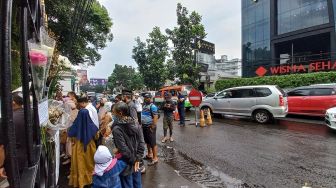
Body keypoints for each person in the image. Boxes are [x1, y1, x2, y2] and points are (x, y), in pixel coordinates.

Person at [112, 102, 145, 188]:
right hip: (136, 160)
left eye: (114, 112)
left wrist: (134, 160)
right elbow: (142, 143)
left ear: (120, 113)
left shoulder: (117, 129)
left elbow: (123, 149)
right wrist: (138, 158)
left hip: (125, 162)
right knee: (137, 184)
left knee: (127, 184)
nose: (113, 114)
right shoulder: (136, 124)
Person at [68, 97, 99, 188]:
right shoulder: (92, 126)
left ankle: (80, 182)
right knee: (90, 163)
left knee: (79, 165)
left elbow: (71, 136)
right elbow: (96, 135)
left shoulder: (74, 127)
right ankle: (90, 180)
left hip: (78, 147)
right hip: (90, 146)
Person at [141, 93, 159, 165]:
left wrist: (152, 126)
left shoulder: (153, 106)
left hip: (150, 127)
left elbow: (155, 117)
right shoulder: (144, 105)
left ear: (150, 98)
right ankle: (149, 154)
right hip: (145, 126)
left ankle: (155, 158)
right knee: (147, 142)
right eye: (145, 97)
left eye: (147, 97)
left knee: (153, 143)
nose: (146, 99)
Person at [12, 92, 28, 173]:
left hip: (15, 160)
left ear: (13, 102)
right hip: (28, 156)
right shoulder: (30, 113)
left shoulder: (11, 119)